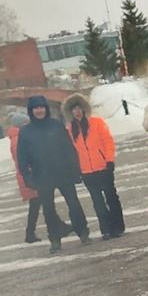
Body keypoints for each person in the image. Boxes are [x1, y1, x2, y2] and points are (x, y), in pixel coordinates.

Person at [17, 96, 91, 254]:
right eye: (36, 108)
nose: (39, 110)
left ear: (46, 108)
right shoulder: (26, 132)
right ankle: (55, 239)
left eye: (42, 107)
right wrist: (28, 179)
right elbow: (22, 158)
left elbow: (69, 149)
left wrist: (75, 170)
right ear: (31, 111)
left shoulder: (56, 125)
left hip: (63, 172)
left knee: (74, 203)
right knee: (49, 209)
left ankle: (83, 232)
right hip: (42, 176)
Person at [62, 94, 124, 240]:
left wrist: (109, 160)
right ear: (70, 112)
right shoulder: (69, 130)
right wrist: (75, 169)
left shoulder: (96, 122)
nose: (77, 111)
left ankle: (117, 226)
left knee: (111, 197)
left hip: (103, 167)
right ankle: (106, 229)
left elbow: (107, 142)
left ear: (84, 109)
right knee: (97, 201)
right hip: (86, 171)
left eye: (79, 108)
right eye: (74, 109)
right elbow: (70, 152)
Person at [7, 112, 42, 243]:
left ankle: (31, 233)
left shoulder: (18, 137)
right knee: (38, 202)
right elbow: (23, 160)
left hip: (28, 176)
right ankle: (30, 234)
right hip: (28, 177)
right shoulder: (18, 139)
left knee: (39, 202)